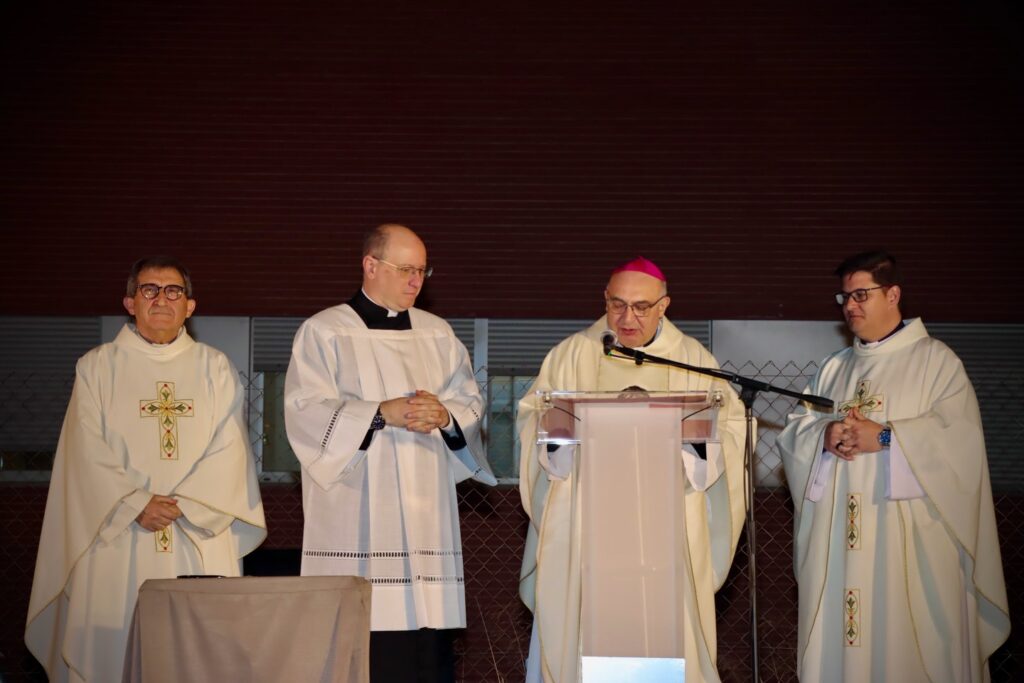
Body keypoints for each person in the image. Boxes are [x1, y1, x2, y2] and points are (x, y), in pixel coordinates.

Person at [25, 256, 267, 682]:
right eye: (149, 290)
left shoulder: (215, 367)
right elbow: (83, 451)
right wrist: (136, 503)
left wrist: (185, 504)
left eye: (173, 291)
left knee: (194, 654)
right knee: (113, 652)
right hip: (117, 533)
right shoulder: (97, 366)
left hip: (195, 528)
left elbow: (230, 449)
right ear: (130, 303)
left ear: (189, 306)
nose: (161, 299)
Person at [777, 250, 1010, 681]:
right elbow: (796, 430)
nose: (850, 305)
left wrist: (886, 438)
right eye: (844, 297)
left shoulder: (936, 362)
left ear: (893, 294)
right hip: (841, 545)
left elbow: (960, 443)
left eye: (861, 294)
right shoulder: (833, 368)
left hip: (910, 545)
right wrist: (824, 435)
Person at [517, 256, 747, 683]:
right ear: (604, 299)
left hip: (665, 527)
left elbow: (729, 430)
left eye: (641, 307)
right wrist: (563, 433)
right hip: (587, 525)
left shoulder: (691, 359)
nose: (627, 318)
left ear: (664, 306)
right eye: (617, 304)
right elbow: (534, 420)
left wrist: (686, 446)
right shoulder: (572, 355)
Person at [284, 223, 495, 682]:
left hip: (425, 510)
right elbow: (305, 410)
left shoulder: (438, 335)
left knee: (427, 646)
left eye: (422, 271)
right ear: (370, 265)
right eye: (406, 269)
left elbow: (471, 403)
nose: (416, 281)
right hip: (358, 510)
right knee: (367, 644)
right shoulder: (325, 331)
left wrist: (445, 415)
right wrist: (380, 413)